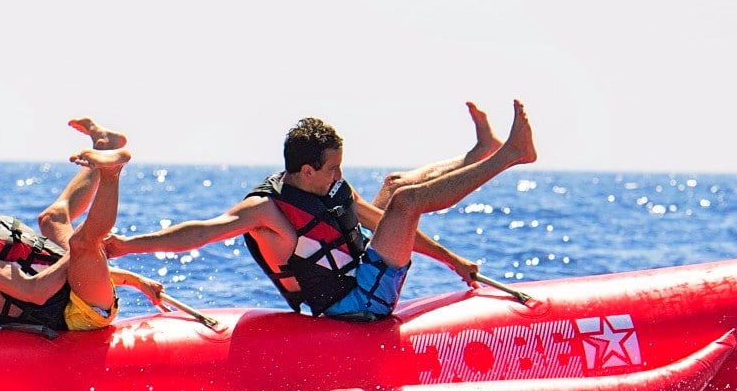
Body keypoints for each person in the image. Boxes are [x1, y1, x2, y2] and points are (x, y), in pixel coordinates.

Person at [107, 102, 537, 320]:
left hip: (365, 267)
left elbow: (375, 222)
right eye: (333, 167)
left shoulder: (327, 184)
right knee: (406, 202)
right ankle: (508, 157)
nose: (340, 174)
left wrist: (452, 261)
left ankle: (480, 154)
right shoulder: (266, 211)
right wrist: (126, 245)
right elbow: (197, 233)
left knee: (393, 189)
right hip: (356, 304)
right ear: (306, 169)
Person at [0, 118, 164, 334]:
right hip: (78, 315)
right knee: (83, 243)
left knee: (53, 218)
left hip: (80, 291)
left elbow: (54, 265)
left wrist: (135, 281)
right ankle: (110, 173)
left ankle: (104, 145)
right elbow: (36, 292)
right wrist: (83, 251)